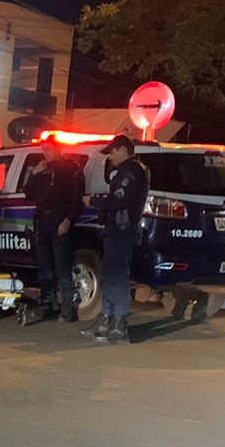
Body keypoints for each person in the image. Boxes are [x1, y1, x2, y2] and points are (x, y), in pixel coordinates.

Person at [82, 134, 148, 345]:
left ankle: (119, 323)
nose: (110, 156)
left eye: (112, 152)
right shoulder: (126, 171)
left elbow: (118, 200)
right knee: (109, 277)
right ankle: (106, 320)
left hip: (122, 231)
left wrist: (92, 200)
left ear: (121, 149)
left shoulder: (131, 172)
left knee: (118, 277)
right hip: (116, 230)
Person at [24, 136, 85, 322]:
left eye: (48, 149)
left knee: (62, 265)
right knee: (44, 266)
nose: (45, 153)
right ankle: (47, 304)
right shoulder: (41, 169)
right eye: (43, 149)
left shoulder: (71, 169)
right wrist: (34, 174)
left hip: (60, 220)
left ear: (58, 148)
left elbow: (77, 199)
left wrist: (68, 220)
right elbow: (29, 194)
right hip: (42, 220)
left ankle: (67, 307)